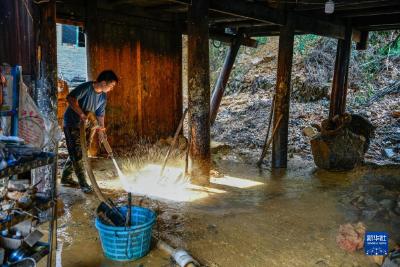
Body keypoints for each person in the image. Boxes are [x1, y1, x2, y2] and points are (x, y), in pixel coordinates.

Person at [61, 70, 118, 193]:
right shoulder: (87, 87)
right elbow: (70, 98)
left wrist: (101, 131)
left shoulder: (103, 96)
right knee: (78, 154)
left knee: (81, 151)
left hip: (88, 126)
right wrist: (81, 114)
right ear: (103, 82)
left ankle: (65, 178)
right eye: (111, 85)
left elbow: (100, 114)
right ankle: (84, 184)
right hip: (72, 123)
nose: (111, 88)